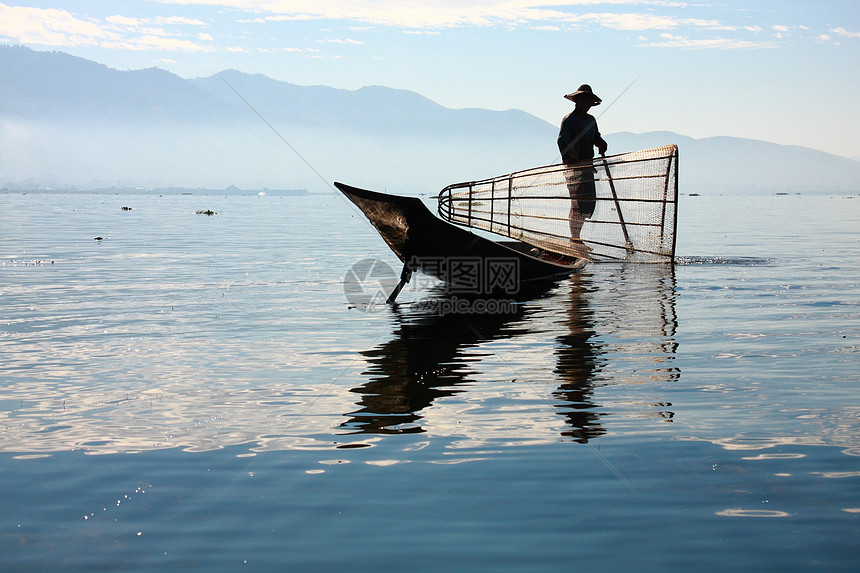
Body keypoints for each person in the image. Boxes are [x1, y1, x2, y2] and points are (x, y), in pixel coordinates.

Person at [557, 84, 608, 255]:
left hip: (587, 168)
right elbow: (562, 142)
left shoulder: (591, 120)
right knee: (577, 204)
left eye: (588, 101)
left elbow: (596, 137)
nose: (585, 103)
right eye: (583, 100)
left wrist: (601, 143)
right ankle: (575, 239)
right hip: (573, 169)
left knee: (587, 204)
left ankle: (577, 239)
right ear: (577, 101)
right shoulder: (569, 120)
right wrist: (571, 158)